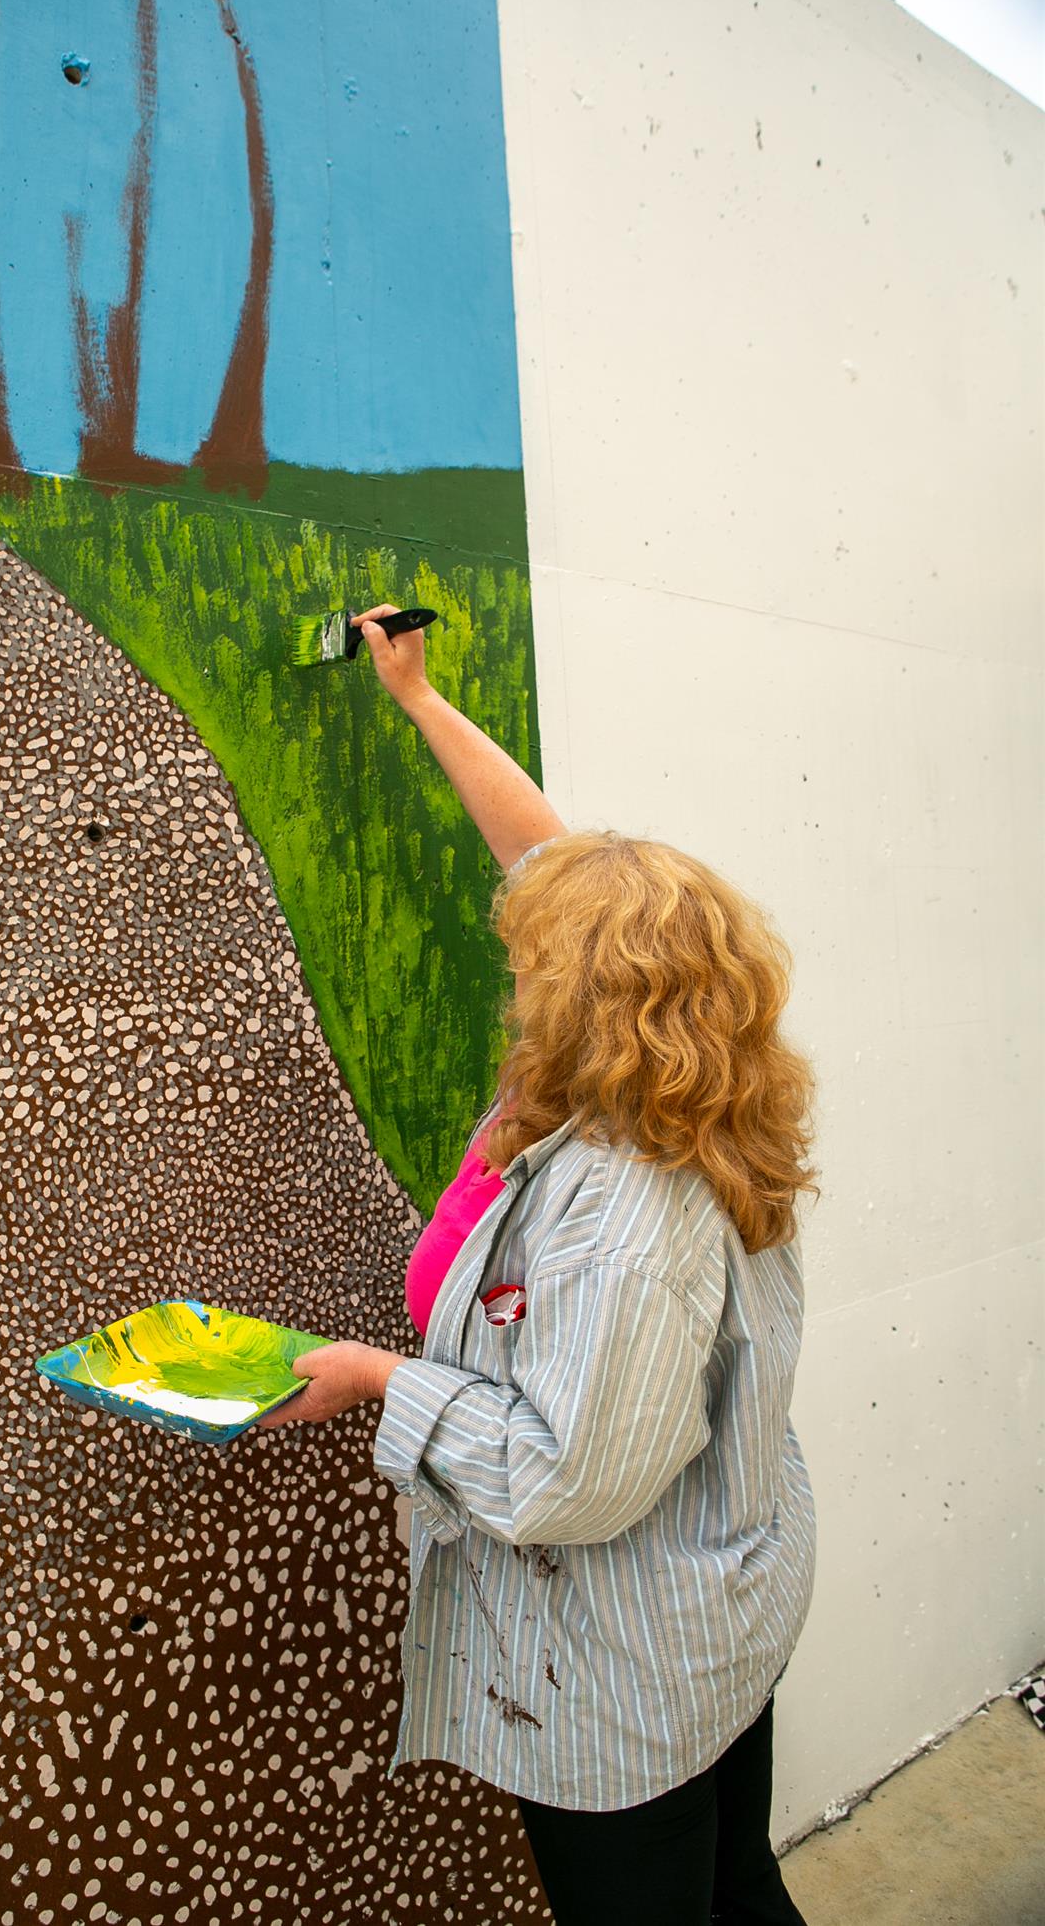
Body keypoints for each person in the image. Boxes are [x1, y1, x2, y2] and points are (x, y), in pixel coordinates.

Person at [257, 604, 818, 1925]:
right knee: (738, 1887)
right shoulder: (696, 1071)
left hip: (626, 1660)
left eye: (532, 962)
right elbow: (548, 858)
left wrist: (377, 1383)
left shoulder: (628, 1209)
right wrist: (419, 700)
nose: (514, 968)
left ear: (578, 997)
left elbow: (572, 1477)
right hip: (709, 1609)